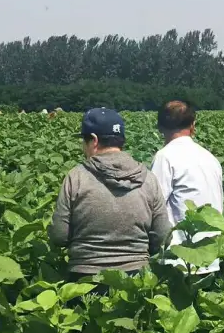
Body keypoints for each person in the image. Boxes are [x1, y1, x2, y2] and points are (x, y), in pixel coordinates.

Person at [49, 108, 171, 277]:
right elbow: (163, 236)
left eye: (84, 141)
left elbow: (59, 236)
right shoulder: (148, 179)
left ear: (94, 141)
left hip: (86, 277)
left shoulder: (76, 177)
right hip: (136, 279)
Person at [151, 100, 224, 273]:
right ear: (193, 126)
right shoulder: (209, 158)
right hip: (210, 255)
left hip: (178, 260)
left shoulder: (165, 157)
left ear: (160, 127)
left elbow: (154, 204)